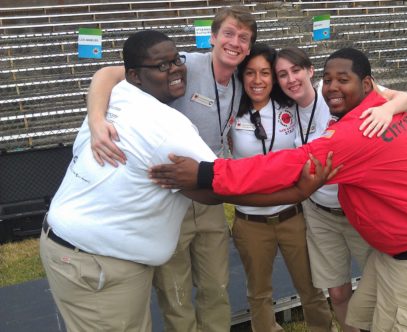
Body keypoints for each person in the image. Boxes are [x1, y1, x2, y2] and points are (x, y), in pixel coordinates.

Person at [150, 48, 407, 332]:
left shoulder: (358, 131)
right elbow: (398, 97)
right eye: (327, 80)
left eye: (343, 80)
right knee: (359, 317)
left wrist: (206, 173)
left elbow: (284, 167)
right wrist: (391, 104)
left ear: (368, 84)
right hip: (402, 252)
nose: (332, 88)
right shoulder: (377, 107)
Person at [86, 7, 257, 332]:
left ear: (249, 47)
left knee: (216, 287)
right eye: (229, 34)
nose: (235, 43)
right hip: (168, 196)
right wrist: (97, 121)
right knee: (175, 292)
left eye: (243, 38)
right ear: (213, 37)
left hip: (208, 195)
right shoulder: (187, 64)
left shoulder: (241, 78)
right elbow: (106, 75)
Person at [39, 30, 218, 332]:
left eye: (177, 60)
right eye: (162, 66)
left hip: (75, 248)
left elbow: (107, 73)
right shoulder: (166, 125)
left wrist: (96, 118)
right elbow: (223, 184)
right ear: (134, 75)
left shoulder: (121, 93)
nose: (174, 68)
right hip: (96, 261)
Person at [273, 47, 407, 332]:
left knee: (383, 287)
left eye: (296, 70)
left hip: (357, 210)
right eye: (282, 75)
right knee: (337, 292)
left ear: (311, 71)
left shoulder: (334, 92)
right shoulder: (283, 112)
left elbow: (406, 97)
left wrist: (387, 109)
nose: (291, 79)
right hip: (319, 213)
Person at [230, 43, 334, 332]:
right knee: (259, 294)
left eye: (265, 72)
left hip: (293, 215)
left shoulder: (290, 106)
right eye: (250, 72)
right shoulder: (231, 114)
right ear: (241, 76)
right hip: (250, 220)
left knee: (311, 287)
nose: (258, 80)